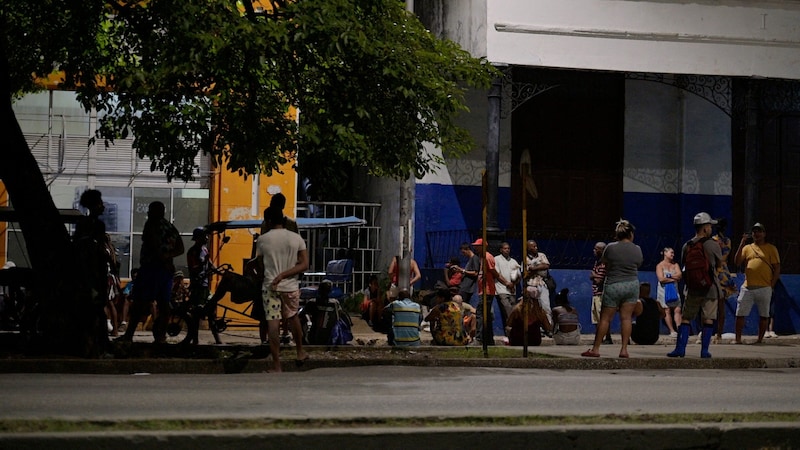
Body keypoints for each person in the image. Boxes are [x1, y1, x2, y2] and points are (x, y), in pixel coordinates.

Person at [120, 201, 185, 344]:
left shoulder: (151, 225)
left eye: (150, 210)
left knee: (140, 302)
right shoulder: (170, 227)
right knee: (164, 304)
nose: (148, 213)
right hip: (166, 271)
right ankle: (160, 337)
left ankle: (129, 335)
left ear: (155, 211)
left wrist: (162, 257)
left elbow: (153, 244)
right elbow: (181, 248)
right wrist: (169, 256)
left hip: (152, 268)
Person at [255, 206, 310, 372]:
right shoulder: (296, 238)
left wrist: (277, 276)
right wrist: (286, 274)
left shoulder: (262, 240)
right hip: (290, 287)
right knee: (293, 318)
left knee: (273, 323)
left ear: (268, 221)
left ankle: (277, 365)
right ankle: (300, 352)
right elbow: (304, 264)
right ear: (284, 220)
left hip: (270, 285)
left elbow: (260, 265)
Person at [582, 219, 642, 359]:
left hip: (613, 284)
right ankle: (624, 350)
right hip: (631, 284)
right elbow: (638, 263)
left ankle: (596, 349)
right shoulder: (637, 249)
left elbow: (605, 262)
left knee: (605, 319)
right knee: (626, 318)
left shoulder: (610, 247)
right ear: (631, 234)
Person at [668, 212, 723, 358]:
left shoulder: (687, 245)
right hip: (710, 287)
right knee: (708, 318)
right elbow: (719, 264)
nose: (711, 228)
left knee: (686, 317)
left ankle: (680, 349)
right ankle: (704, 350)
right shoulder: (713, 244)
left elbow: (684, 264)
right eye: (709, 226)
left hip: (692, 288)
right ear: (705, 228)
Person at [73, 189, 115, 350]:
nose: (103, 206)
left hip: (91, 273)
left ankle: (93, 341)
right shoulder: (95, 225)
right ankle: (100, 342)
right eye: (100, 203)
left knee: (94, 309)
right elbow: (94, 248)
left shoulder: (84, 224)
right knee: (96, 309)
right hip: (94, 273)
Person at [733, 222, 781, 344]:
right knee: (740, 313)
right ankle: (738, 339)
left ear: (764, 234)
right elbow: (737, 262)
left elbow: (777, 267)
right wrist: (741, 243)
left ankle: (759, 339)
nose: (756, 234)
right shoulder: (747, 248)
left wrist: (772, 284)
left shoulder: (771, 248)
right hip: (748, 287)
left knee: (764, 315)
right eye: (754, 231)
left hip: (765, 287)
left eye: (759, 231)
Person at [471, 238, 514, 345]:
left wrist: (506, 283)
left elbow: (495, 273)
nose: (475, 248)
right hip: (484, 290)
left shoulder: (487, 257)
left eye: (477, 246)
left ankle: (480, 339)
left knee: (480, 314)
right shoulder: (482, 257)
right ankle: (489, 340)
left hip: (487, 291)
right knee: (486, 315)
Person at [186, 227, 216, 345]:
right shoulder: (192, 252)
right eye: (204, 236)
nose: (207, 238)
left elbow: (210, 264)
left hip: (205, 285)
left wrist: (217, 270)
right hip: (198, 285)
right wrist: (203, 263)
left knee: (211, 309)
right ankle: (195, 339)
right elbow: (193, 269)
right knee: (197, 313)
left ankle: (217, 338)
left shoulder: (205, 250)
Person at [712, 218, 737, 342]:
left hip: (715, 272)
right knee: (721, 307)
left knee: (709, 305)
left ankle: (709, 331)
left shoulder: (713, 241)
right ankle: (719, 334)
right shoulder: (728, 241)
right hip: (725, 272)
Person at [494, 241, 522, 336]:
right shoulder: (496, 259)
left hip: (512, 290)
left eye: (508, 248)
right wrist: (507, 283)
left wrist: (513, 284)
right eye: (505, 248)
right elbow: (497, 274)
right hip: (502, 289)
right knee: (507, 308)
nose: (507, 250)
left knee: (514, 309)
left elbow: (518, 276)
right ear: (501, 250)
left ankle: (514, 330)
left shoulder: (513, 261)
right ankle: (510, 330)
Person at [524, 240, 553, 331]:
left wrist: (534, 268)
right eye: (533, 246)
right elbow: (526, 273)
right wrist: (535, 269)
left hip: (542, 284)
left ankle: (548, 328)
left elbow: (546, 265)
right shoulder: (525, 259)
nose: (536, 248)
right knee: (532, 309)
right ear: (528, 248)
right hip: (531, 285)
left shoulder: (541, 255)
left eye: (536, 246)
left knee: (546, 307)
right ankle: (536, 329)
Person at [655, 247, 682, 338]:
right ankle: (672, 330)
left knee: (677, 309)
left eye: (673, 253)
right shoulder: (660, 266)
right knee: (666, 310)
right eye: (671, 252)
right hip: (664, 291)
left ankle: (680, 329)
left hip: (674, 290)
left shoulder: (675, 265)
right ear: (665, 253)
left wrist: (668, 277)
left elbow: (679, 276)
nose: (673, 255)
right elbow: (661, 279)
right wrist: (673, 278)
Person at [589, 242, 611, 344]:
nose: (594, 250)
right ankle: (599, 336)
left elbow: (599, 280)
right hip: (595, 292)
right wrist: (594, 276)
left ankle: (606, 337)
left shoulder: (604, 264)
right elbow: (592, 276)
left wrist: (594, 275)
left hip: (601, 293)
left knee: (601, 316)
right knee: (596, 317)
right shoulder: (597, 262)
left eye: (596, 249)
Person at [457, 242, 481, 306]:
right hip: (465, 286)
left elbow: (475, 273)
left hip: (468, 287)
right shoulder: (470, 259)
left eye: (464, 252)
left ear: (468, 249)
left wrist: (463, 271)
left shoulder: (474, 258)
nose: (463, 254)